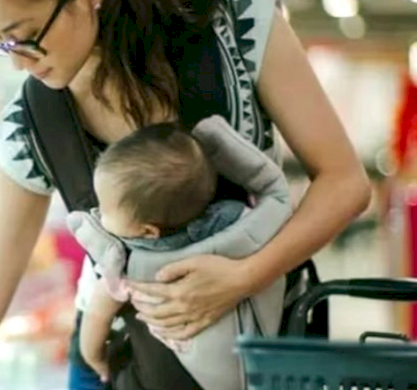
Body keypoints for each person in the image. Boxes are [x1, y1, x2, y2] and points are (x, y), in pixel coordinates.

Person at [0, 0, 371, 389]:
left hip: (270, 358)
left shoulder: (236, 21)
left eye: (24, 35)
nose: (16, 61)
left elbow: (345, 183)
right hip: (129, 368)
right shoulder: (30, 124)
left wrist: (245, 275)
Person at [74, 118, 289, 389]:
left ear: (148, 231)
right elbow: (274, 197)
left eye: (105, 211)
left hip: (182, 375)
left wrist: (93, 357)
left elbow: (97, 315)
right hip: (254, 361)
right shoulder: (241, 223)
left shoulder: (129, 264)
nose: (98, 213)